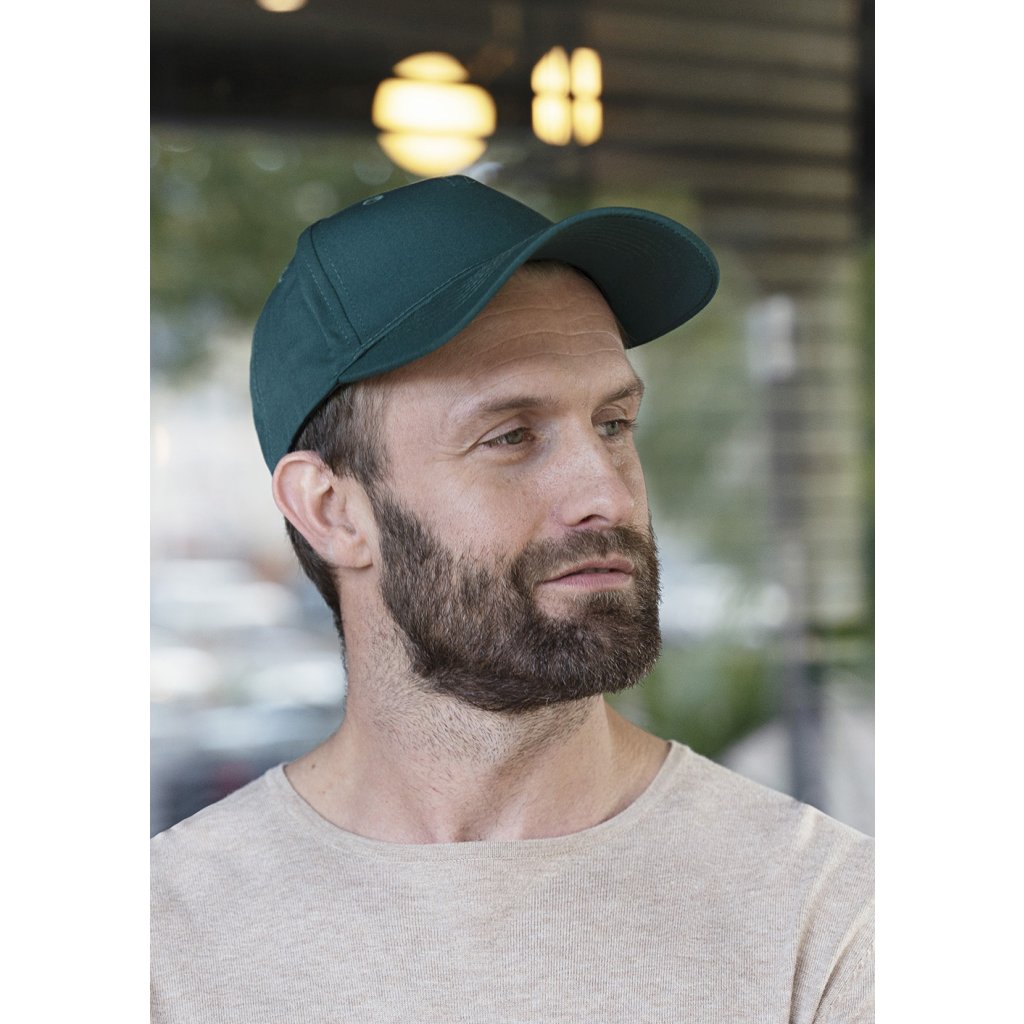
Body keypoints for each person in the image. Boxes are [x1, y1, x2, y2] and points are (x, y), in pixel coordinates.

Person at [151, 175, 873, 1022]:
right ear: (333, 511)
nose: (606, 492)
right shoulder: (161, 946)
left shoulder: (827, 922)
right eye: (511, 436)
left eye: (613, 424)